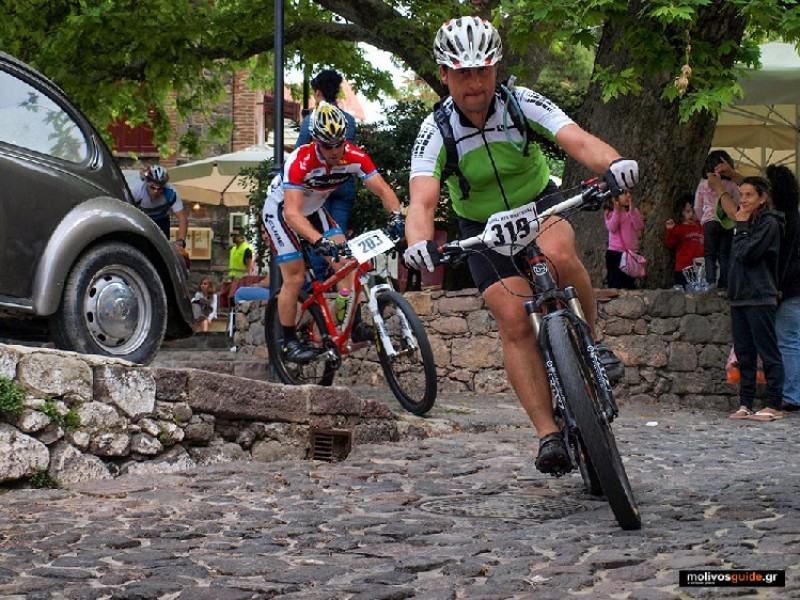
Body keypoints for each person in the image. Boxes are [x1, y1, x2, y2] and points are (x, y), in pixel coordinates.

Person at [403, 16, 638, 476]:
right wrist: (418, 243)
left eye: (483, 70)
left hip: (538, 201)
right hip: (482, 224)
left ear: (495, 68)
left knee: (559, 254)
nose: (474, 82)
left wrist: (616, 163)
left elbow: (577, 140)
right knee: (513, 318)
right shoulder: (436, 131)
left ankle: (592, 341)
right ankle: (548, 433)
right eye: (462, 72)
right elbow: (422, 200)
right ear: (445, 74)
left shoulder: (519, 102)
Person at [262, 102, 403, 363]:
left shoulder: (354, 156)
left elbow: (383, 190)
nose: (335, 151)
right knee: (294, 276)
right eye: (328, 146)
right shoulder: (301, 159)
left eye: (339, 143)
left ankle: (347, 324)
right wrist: (319, 242)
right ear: (316, 142)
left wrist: (397, 218)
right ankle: (288, 342)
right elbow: (292, 213)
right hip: (281, 212)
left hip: (315, 207)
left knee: (346, 264)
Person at [713, 176, 785, 421]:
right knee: (744, 354)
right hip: (740, 296)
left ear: (762, 198)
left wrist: (741, 227)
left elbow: (747, 254)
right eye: (741, 195)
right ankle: (745, 403)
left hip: (759, 295)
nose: (743, 200)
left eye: (749, 195)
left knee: (767, 350)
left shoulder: (769, 223)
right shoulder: (744, 222)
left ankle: (775, 403)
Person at [766, 164, 800, 412]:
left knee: (788, 341)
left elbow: (785, 258)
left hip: (789, 288)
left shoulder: (785, 221)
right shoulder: (793, 216)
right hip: (792, 287)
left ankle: (791, 394)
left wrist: (777, 286)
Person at [693, 151, 741, 290]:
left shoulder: (704, 184)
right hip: (727, 223)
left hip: (710, 222)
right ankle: (724, 283)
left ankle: (710, 282)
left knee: (709, 254)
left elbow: (697, 205)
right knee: (725, 254)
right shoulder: (731, 185)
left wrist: (704, 219)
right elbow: (737, 203)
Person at [130, 165, 189, 248]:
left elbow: (182, 218)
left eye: (160, 188)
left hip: (161, 221)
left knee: (163, 249)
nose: (155, 191)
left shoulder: (171, 192)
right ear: (146, 183)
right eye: (152, 187)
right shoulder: (136, 190)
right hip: (142, 220)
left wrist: (181, 241)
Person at [604, 189, 645, 289]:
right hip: (615, 253)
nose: (628, 196)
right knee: (615, 282)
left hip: (630, 253)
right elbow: (612, 227)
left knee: (629, 283)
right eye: (624, 193)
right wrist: (617, 212)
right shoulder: (610, 212)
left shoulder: (633, 211)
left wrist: (632, 212)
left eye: (629, 193)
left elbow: (638, 226)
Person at [665, 193, 704, 289]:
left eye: (694, 212)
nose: (691, 214)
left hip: (699, 268)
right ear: (683, 212)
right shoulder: (679, 228)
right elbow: (670, 244)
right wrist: (670, 230)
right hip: (683, 267)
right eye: (688, 211)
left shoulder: (702, 228)